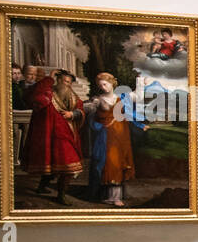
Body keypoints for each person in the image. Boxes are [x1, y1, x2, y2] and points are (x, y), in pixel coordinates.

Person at [82, 72, 147, 206]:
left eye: (105, 84)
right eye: (100, 85)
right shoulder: (97, 100)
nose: (103, 87)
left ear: (112, 83)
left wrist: (140, 81)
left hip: (121, 136)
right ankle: (108, 196)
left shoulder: (122, 97)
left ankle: (115, 196)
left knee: (119, 162)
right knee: (109, 163)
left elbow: (137, 97)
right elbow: (87, 114)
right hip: (105, 137)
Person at [21, 70, 84, 204]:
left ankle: (61, 194)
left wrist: (72, 114)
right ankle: (44, 188)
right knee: (51, 165)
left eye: (69, 82)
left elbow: (80, 109)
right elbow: (32, 98)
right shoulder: (47, 93)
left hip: (66, 136)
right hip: (49, 136)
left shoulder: (72, 96)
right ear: (58, 80)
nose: (67, 85)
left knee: (69, 167)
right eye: (64, 81)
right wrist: (49, 78)